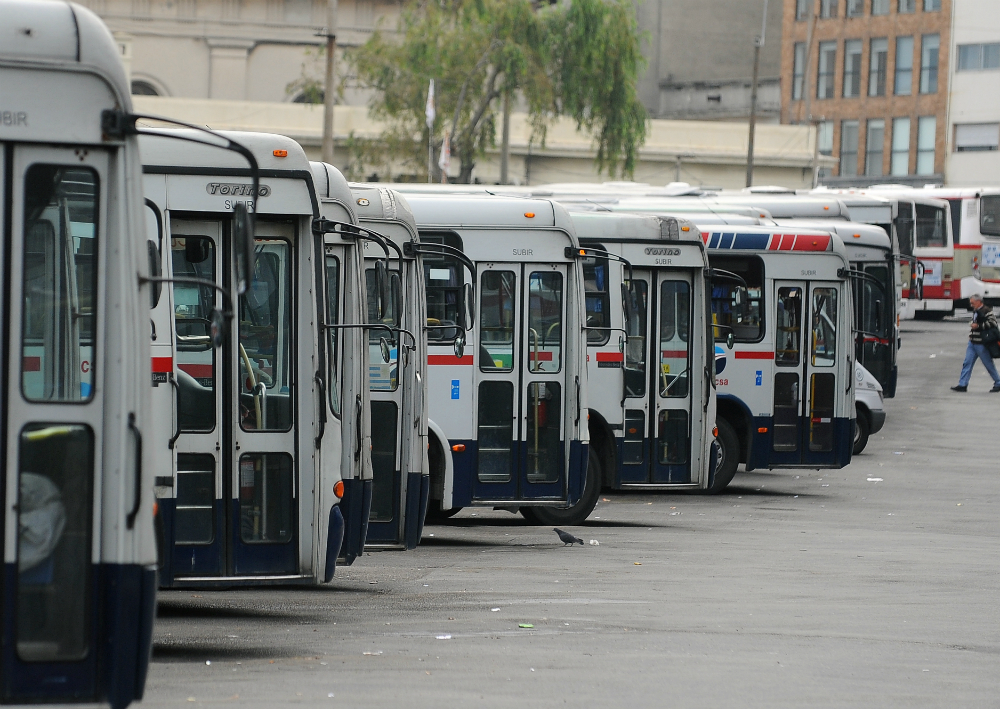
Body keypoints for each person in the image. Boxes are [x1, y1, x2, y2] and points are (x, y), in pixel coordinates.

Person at [951, 294, 1000, 392]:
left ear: (979, 302)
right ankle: (962, 384)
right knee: (967, 363)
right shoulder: (976, 311)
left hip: (981, 343)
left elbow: (993, 323)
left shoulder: (987, 311)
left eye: (973, 303)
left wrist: (978, 326)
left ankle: (998, 382)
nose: (971, 305)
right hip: (973, 342)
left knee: (988, 364)